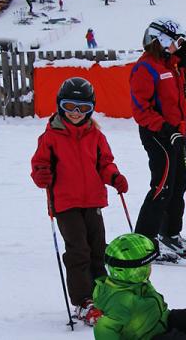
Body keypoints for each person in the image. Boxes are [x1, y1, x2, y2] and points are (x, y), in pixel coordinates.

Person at [31, 77, 129, 326]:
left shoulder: (95, 135)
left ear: (91, 108)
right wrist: (42, 174)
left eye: (83, 108)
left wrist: (114, 177)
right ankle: (83, 301)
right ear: (59, 106)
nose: (76, 113)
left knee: (98, 249)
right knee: (78, 251)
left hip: (93, 201)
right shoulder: (50, 137)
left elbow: (104, 163)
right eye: (70, 106)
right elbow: (39, 164)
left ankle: (101, 293)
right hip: (65, 204)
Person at [92, 232, 186, 339]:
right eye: (144, 268)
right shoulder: (120, 301)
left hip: (163, 320)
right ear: (128, 271)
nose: (149, 270)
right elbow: (103, 328)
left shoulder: (135, 282)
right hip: (150, 337)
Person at [129, 20, 186, 260]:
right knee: (162, 186)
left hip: (178, 133)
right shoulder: (145, 68)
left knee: (178, 186)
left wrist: (185, 64)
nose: (179, 47)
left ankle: (170, 233)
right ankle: (146, 238)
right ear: (160, 41)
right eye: (176, 42)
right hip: (158, 134)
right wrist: (165, 129)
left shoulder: (172, 66)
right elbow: (140, 109)